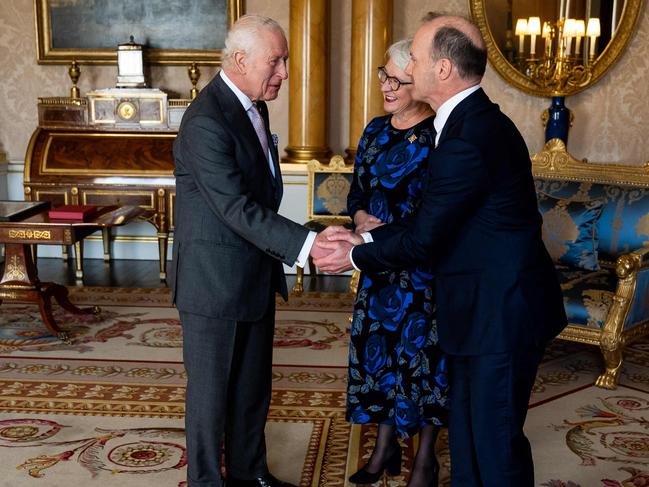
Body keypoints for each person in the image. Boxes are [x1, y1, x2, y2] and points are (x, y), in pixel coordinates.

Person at [314, 12, 567, 487]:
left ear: (443, 69)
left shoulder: (468, 136)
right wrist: (363, 237)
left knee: (495, 448)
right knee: (470, 440)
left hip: (500, 316)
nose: (408, 64)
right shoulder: (468, 123)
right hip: (481, 310)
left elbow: (426, 237)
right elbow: (432, 222)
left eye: (417, 55)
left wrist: (352, 253)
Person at [171, 14, 329, 487]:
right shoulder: (206, 120)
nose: (283, 72)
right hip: (212, 283)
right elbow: (236, 207)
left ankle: (250, 474)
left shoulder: (253, 106)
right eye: (275, 61)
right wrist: (308, 245)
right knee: (210, 400)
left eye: (284, 61)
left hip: (254, 274)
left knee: (251, 390)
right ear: (240, 60)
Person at [345, 38, 448, 487]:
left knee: (420, 363)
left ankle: (425, 460)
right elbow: (357, 191)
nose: (387, 85)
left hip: (420, 272)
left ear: (419, 82)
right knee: (379, 357)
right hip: (377, 268)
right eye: (383, 75)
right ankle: (384, 446)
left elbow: (433, 214)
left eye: (397, 79)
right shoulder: (374, 130)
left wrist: (383, 230)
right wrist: (359, 214)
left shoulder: (437, 137)